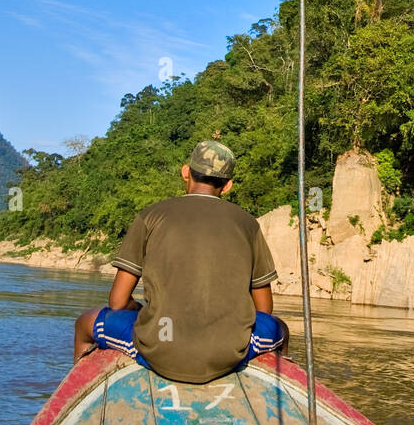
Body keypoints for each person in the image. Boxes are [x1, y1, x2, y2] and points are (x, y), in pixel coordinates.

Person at [73, 140, 288, 381]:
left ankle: (79, 389)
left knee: (85, 324)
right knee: (280, 329)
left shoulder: (150, 216)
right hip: (229, 354)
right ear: (227, 186)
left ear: (186, 172)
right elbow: (264, 310)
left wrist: (142, 312)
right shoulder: (248, 224)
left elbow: (118, 302)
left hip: (159, 349)